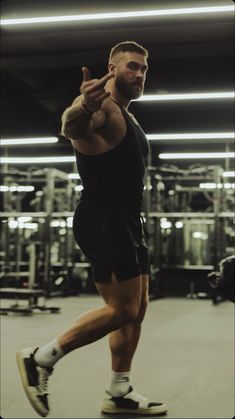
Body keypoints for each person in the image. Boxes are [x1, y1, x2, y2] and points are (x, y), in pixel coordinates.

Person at [16, 41, 168, 417]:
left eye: (143, 69)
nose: (139, 74)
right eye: (132, 67)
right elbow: (71, 126)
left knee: (137, 309)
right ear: (112, 70)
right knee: (122, 309)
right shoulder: (101, 110)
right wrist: (83, 105)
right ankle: (41, 359)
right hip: (104, 219)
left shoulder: (128, 116)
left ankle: (119, 391)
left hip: (128, 220)